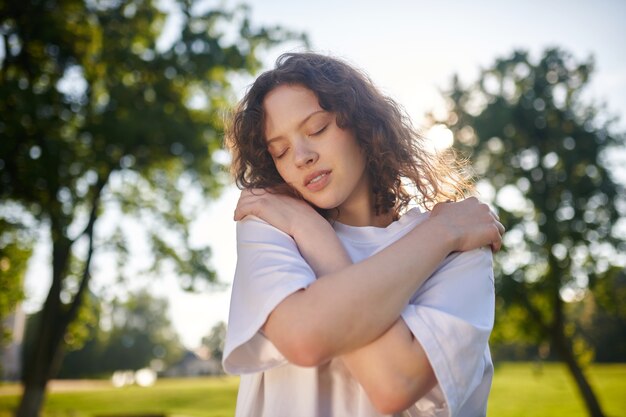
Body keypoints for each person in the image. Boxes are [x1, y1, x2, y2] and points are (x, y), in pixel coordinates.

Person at [222, 52, 505, 417]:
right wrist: (309, 227)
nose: (302, 156)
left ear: (361, 123)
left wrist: (444, 231)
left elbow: (394, 383)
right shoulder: (271, 223)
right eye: (281, 150)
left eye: (317, 129)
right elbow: (304, 337)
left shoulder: (463, 249)